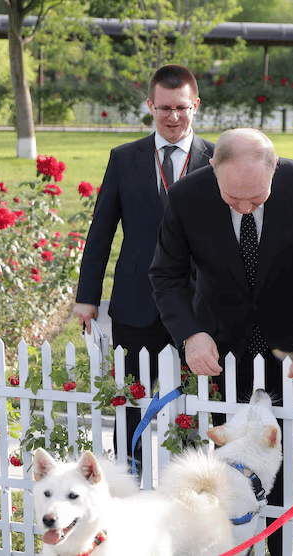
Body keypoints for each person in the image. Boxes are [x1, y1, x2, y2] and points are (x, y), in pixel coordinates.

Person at [149, 128, 293, 556]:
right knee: (226, 455)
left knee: (284, 448)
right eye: (232, 198)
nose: (244, 207)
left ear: (274, 170)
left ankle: (281, 544)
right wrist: (191, 334)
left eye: (256, 198)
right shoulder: (185, 196)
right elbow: (165, 275)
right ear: (213, 171)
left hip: (291, 347)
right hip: (220, 348)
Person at [73, 64, 215, 472]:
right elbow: (101, 231)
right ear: (150, 106)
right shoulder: (125, 159)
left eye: (182, 108)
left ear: (196, 106)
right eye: (164, 107)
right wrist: (86, 297)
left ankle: (188, 479)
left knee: (192, 401)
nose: (173, 117)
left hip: (196, 306)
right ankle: (128, 476)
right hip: (136, 305)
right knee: (129, 402)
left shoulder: (217, 157)